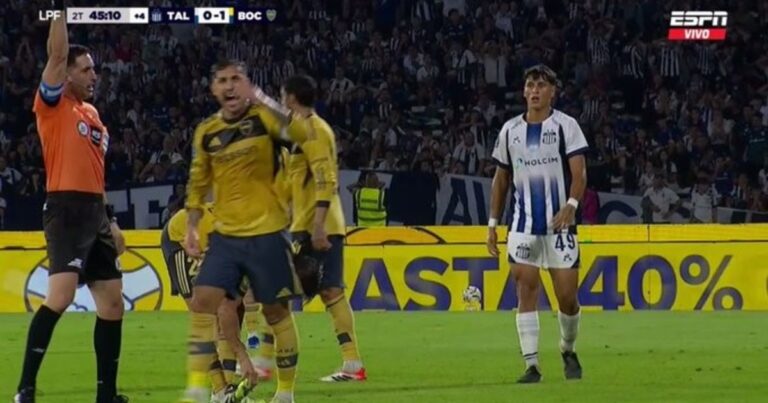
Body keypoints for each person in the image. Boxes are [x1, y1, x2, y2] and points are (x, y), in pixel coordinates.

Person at [179, 59, 310, 403]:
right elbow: (197, 182)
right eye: (222, 79)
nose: (229, 85)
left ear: (246, 84)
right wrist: (192, 227)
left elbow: (301, 133)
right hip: (225, 236)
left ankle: (285, 393)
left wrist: (264, 99)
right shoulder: (206, 132)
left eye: (236, 79)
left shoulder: (264, 118)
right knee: (204, 304)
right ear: (214, 89)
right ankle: (206, 387)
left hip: (267, 232)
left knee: (276, 312)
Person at [15, 8, 128, 403]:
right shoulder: (52, 104)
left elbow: (96, 172)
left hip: (95, 211)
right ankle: (25, 389)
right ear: (67, 74)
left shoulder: (93, 114)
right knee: (60, 298)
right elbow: (57, 55)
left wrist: (110, 219)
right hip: (65, 210)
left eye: (94, 70)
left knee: (113, 304)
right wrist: (59, 13)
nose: (94, 75)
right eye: (86, 69)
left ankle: (106, 395)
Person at [486, 65, 588, 384]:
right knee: (526, 289)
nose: (534, 90)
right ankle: (532, 365)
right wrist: (492, 223)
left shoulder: (565, 127)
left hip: (560, 228)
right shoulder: (509, 131)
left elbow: (580, 173)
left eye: (541, 85)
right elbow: (501, 179)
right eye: (530, 85)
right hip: (523, 225)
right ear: (523, 92)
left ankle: (567, 348)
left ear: (552, 92)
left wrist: (571, 206)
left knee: (567, 299)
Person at [277, 75, 367, 382]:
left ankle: (352, 363)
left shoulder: (315, 130)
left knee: (327, 290)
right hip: (304, 224)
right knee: (313, 292)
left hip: (321, 225)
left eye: (282, 97)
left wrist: (317, 227)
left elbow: (326, 180)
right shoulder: (301, 132)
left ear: (291, 98)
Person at [161, 203, 271, 401]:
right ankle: (220, 390)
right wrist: (243, 356)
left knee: (235, 310)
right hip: (181, 239)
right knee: (205, 315)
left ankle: (226, 393)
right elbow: (222, 308)